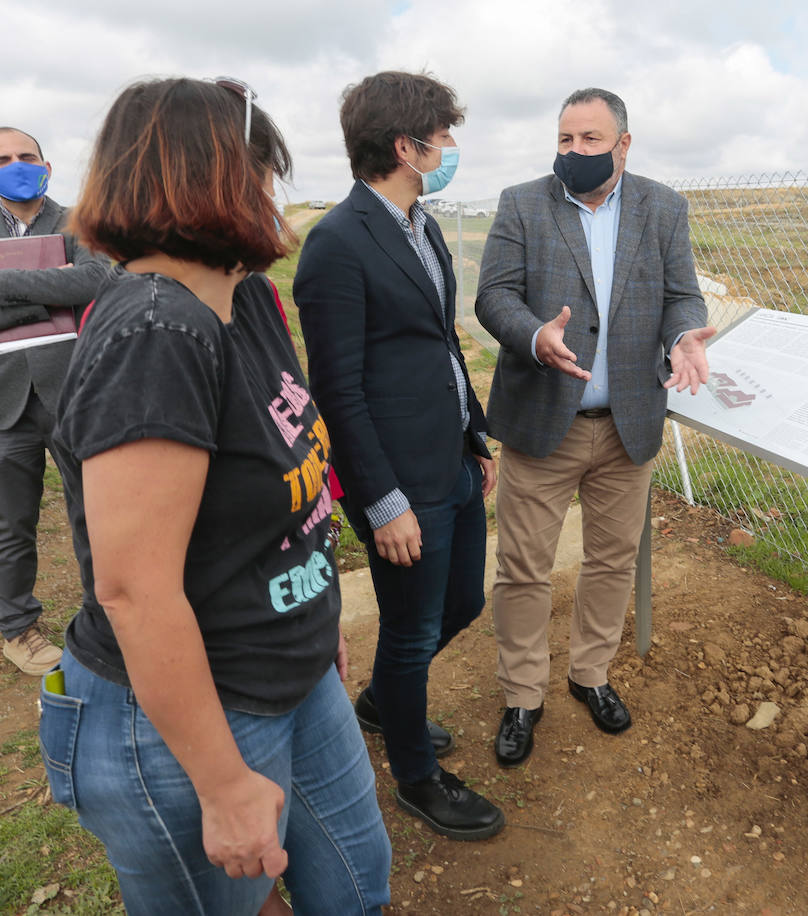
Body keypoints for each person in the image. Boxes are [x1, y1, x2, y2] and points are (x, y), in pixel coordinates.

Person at [37, 78, 390, 915]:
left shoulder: (249, 300)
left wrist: (314, 624)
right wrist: (223, 784)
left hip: (291, 674)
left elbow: (284, 495)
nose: (275, 193)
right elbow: (134, 587)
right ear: (216, 179)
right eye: (265, 170)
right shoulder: (157, 334)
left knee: (354, 884)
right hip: (188, 720)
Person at [475, 88, 715, 768]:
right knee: (523, 567)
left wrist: (684, 337)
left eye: (588, 139)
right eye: (564, 140)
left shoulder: (662, 207)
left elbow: (681, 295)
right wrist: (532, 337)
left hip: (627, 424)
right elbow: (493, 295)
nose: (574, 152)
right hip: (543, 421)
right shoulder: (523, 203)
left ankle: (591, 674)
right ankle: (523, 694)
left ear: (624, 144)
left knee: (612, 560)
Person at [293, 70, 503, 841]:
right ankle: (416, 777)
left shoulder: (422, 226)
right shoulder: (337, 245)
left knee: (464, 603)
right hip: (399, 484)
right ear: (404, 146)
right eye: (441, 136)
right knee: (412, 634)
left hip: (448, 461)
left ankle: (383, 700)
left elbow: (440, 345)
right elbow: (337, 392)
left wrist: (473, 433)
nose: (449, 148)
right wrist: (381, 503)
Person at [0, 126, 109, 675]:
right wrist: (48, 289)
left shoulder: (80, 222)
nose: (16, 165)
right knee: (9, 522)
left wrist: (6, 283)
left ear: (47, 164)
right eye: (3, 158)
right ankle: (17, 628)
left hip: (75, 389)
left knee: (95, 510)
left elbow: (94, 281)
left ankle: (107, 613)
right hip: (4, 401)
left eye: (26, 156)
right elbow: (66, 287)